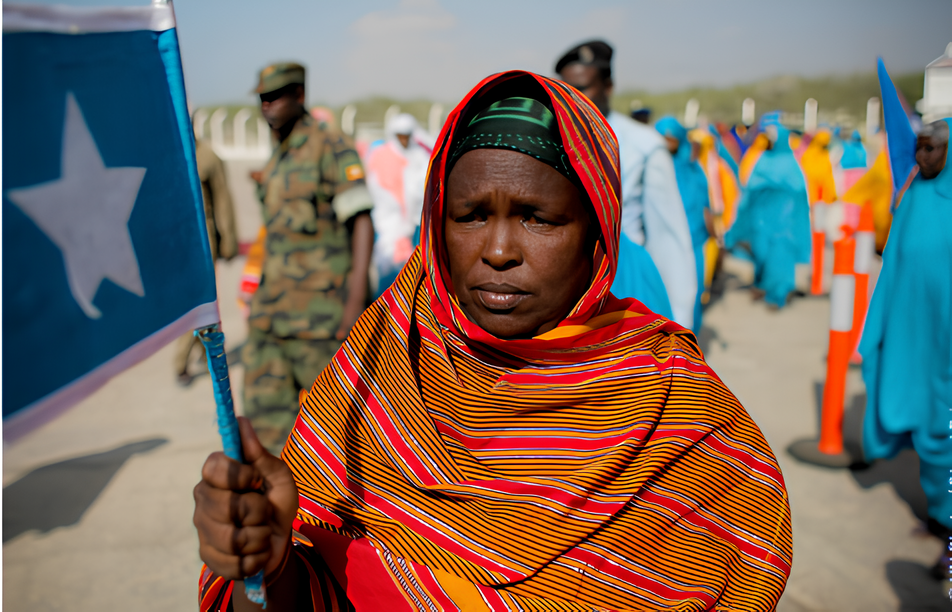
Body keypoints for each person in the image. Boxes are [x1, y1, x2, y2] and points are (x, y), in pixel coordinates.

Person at [193, 71, 792, 611]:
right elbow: (298, 587)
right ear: (436, 222)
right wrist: (265, 566)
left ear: (597, 231)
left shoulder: (678, 411)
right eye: (470, 215)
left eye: (538, 217)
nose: (499, 250)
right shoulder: (381, 362)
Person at [244, 62, 374, 453]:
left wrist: (355, 303)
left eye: (276, 97)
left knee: (336, 434)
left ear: (299, 96)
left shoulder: (329, 145)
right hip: (271, 316)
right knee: (265, 431)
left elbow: (362, 222)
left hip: (322, 319)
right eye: (263, 99)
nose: (267, 106)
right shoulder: (278, 152)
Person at [859, 118, 951, 578]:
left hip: (947, 343)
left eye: (931, 149)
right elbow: (893, 265)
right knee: (925, 429)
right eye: (918, 148)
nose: (921, 157)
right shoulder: (913, 194)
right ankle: (940, 518)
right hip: (914, 337)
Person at [556, 40, 696, 329]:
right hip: (562, 288)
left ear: (608, 86)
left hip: (624, 285)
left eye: (583, 88)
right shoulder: (549, 138)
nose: (574, 99)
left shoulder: (644, 146)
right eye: (566, 90)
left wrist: (681, 321)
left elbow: (669, 239)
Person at [174, 135, 238, 385]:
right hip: (174, 244)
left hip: (202, 241)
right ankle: (206, 352)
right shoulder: (163, 153)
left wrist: (228, 240)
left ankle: (181, 362)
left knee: (200, 302)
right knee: (192, 304)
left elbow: (222, 200)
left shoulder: (207, 156)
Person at [725, 126, 812, 310]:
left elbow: (799, 194)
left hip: (784, 221)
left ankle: (778, 294)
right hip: (762, 219)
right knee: (761, 252)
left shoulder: (790, 163)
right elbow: (750, 190)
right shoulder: (762, 160)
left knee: (781, 256)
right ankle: (763, 285)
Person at [365, 113, 433, 297]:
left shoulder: (420, 155)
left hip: (416, 224)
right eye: (399, 135)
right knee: (388, 273)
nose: (403, 140)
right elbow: (377, 190)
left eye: (407, 135)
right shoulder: (381, 156)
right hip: (389, 225)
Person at [655, 116, 711, 334]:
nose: (666, 143)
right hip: (661, 243)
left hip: (693, 240)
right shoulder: (654, 168)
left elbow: (704, 204)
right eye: (662, 138)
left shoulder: (693, 169)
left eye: (671, 138)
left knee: (691, 295)